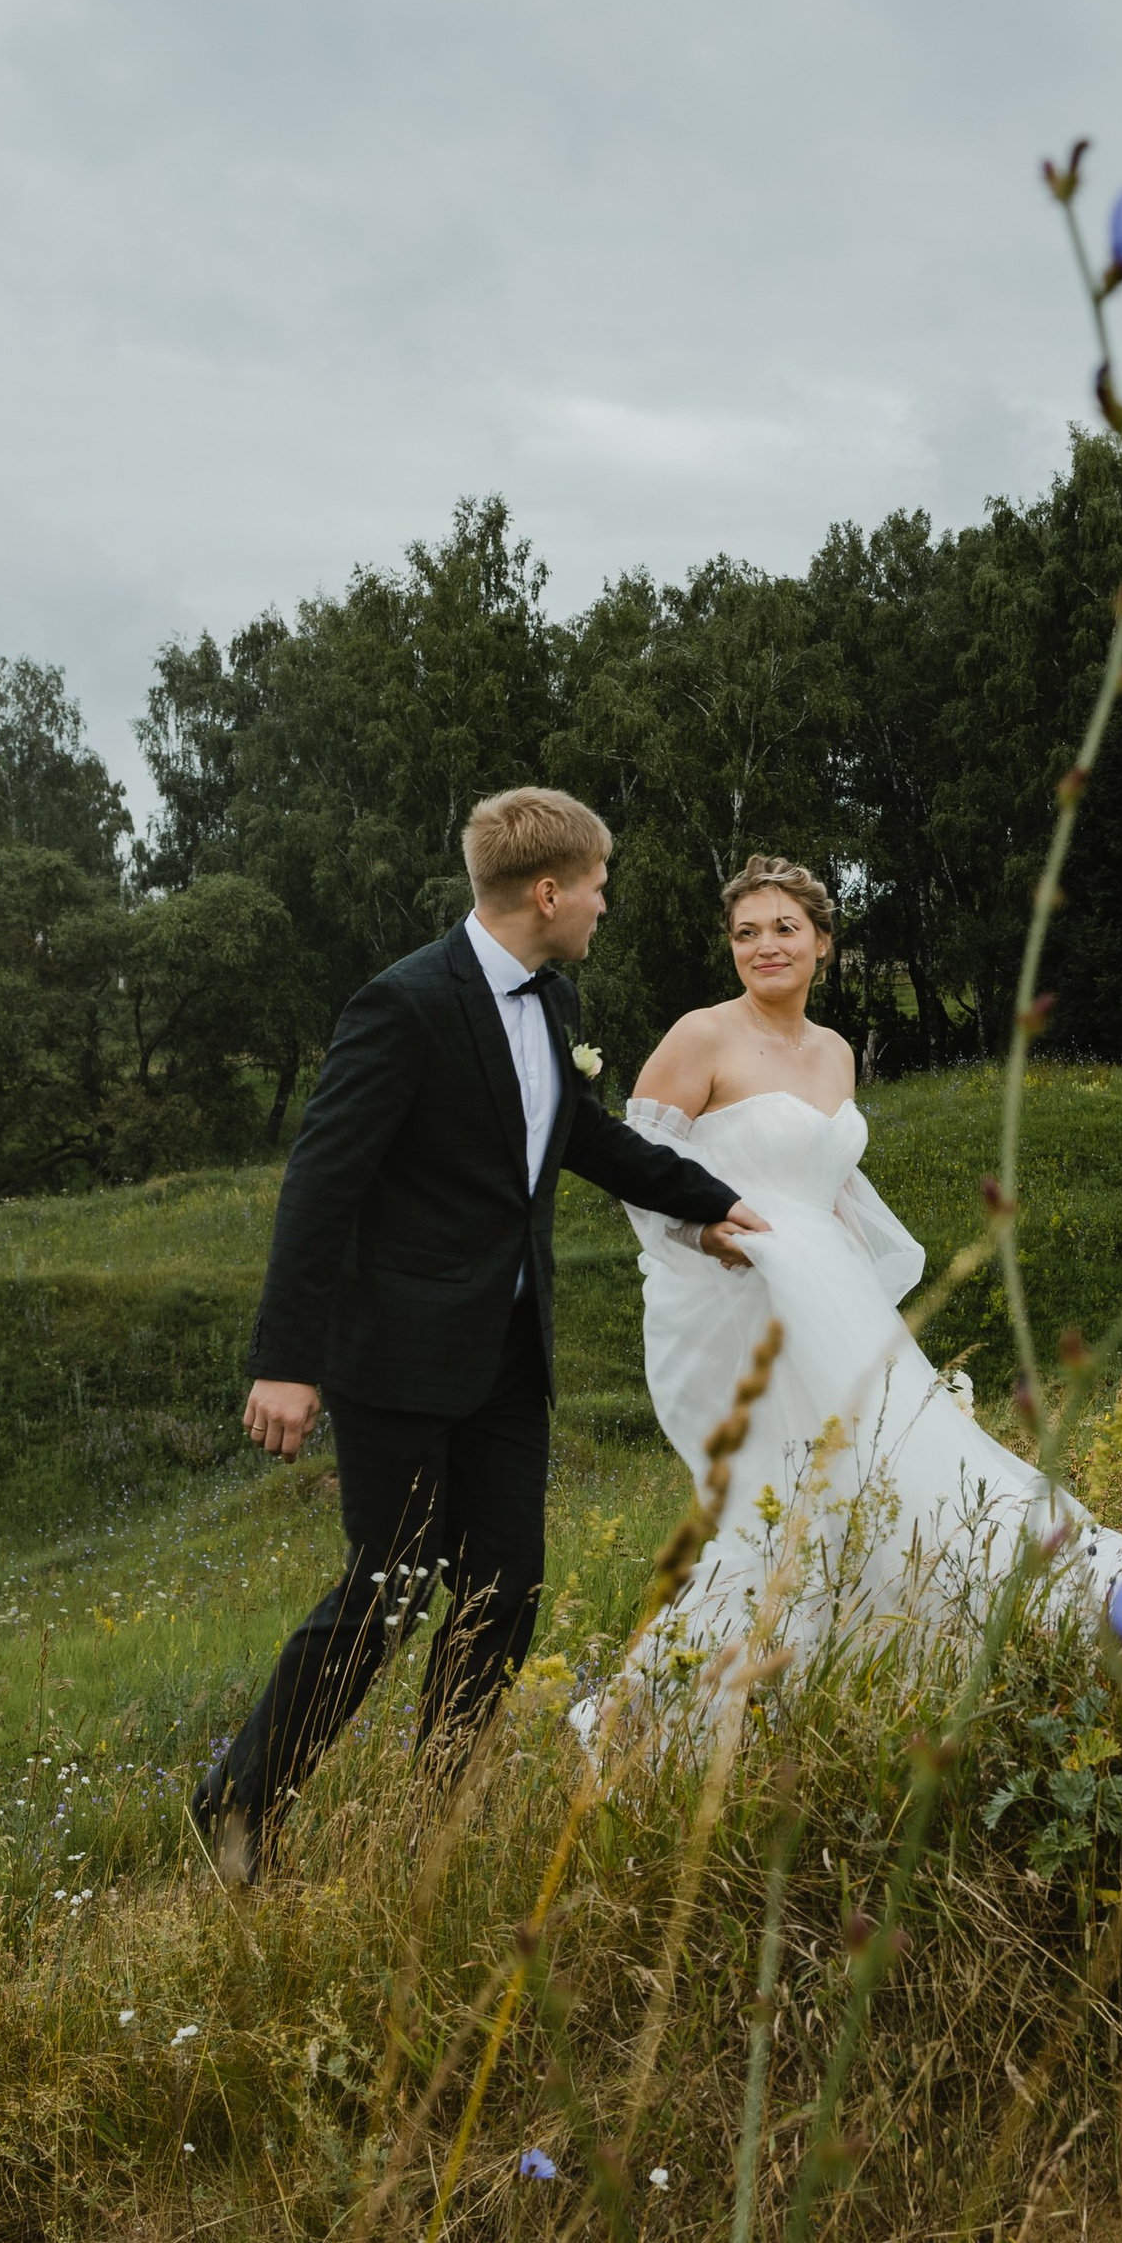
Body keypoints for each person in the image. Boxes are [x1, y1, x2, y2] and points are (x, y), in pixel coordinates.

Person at [193, 787, 770, 1884]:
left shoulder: (552, 1001)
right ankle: (239, 1806)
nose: (605, 902)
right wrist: (285, 1359)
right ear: (548, 890)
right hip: (397, 1359)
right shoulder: (401, 1004)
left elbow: (583, 1135)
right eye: (598, 884)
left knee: (505, 1591)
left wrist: (711, 1202)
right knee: (390, 1589)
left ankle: (436, 1825)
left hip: (508, 1356)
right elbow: (321, 1184)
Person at [595, 855, 1122, 1724]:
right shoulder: (700, 1036)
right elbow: (636, 1171)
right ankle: (699, 1700)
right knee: (768, 1492)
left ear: (821, 941)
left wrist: (865, 1304)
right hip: (726, 1298)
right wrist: (699, 1233)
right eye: (746, 933)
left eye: (784, 929)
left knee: (875, 1472)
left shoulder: (837, 1052)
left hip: (829, 1294)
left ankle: (871, 1665)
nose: (764, 946)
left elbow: (829, 1181)